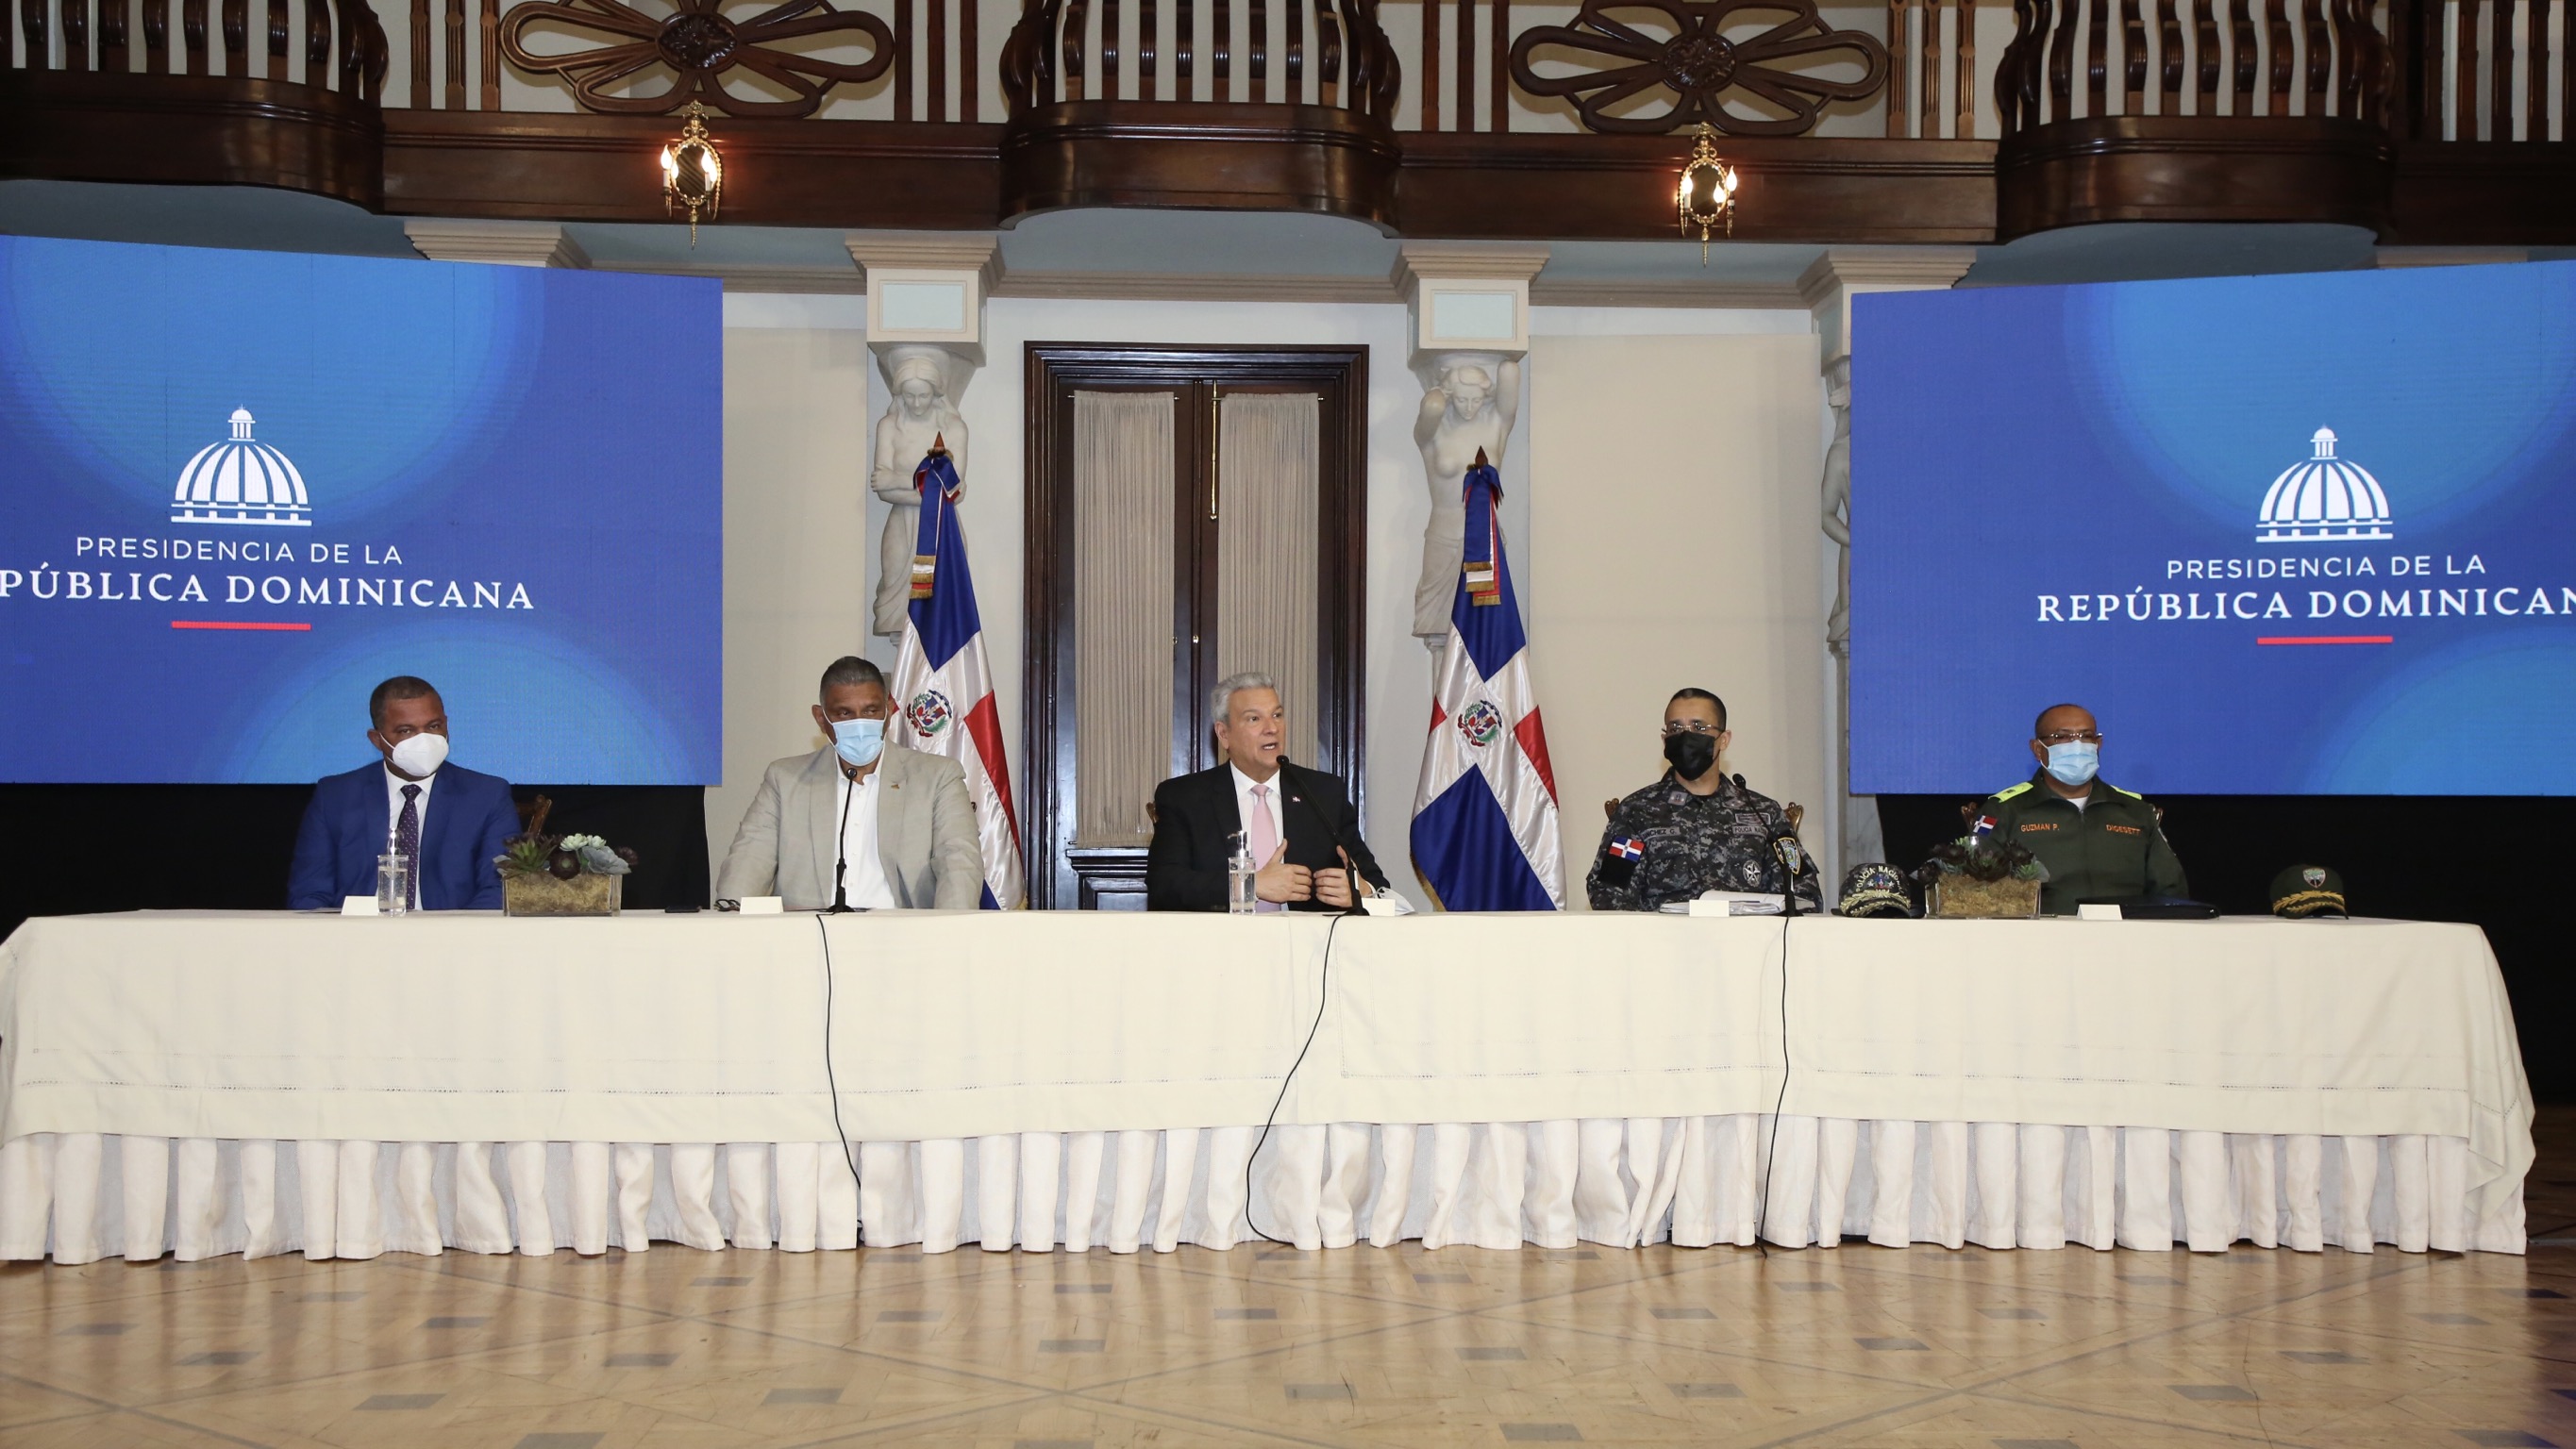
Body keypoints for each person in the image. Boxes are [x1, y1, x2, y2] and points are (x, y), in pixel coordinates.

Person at [716, 655, 983, 910]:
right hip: (809, 933)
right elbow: (749, 859)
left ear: (889, 711)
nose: (859, 723)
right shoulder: (784, 780)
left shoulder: (938, 777)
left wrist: (948, 934)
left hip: (902, 933)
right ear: (821, 719)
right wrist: (731, 918)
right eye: (844, 713)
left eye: (871, 711)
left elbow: (958, 863)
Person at [1146, 672, 1388, 912]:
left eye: (1277, 715)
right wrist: (1249, 885)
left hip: (1306, 937)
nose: (1272, 728)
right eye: (1254, 719)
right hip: (1221, 936)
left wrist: (1360, 892)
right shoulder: (1184, 798)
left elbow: (1376, 884)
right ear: (1224, 734)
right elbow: (1164, 886)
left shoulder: (1323, 793)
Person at [288, 675, 519, 910]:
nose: (424, 740)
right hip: (356, 930)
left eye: (433, 726)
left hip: (449, 930)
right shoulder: (335, 796)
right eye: (406, 730)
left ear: (446, 724)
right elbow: (309, 892)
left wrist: (449, 932)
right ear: (377, 739)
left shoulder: (486, 795)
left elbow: (499, 888)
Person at [1587, 688, 1822, 911]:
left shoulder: (1763, 813)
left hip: (1747, 937)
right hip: (1663, 937)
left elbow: (1803, 892)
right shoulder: (1637, 812)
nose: (1685, 735)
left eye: (1698, 727)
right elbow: (1610, 892)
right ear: (1665, 739)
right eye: (1675, 728)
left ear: (1724, 739)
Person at [1978, 702, 2187, 915]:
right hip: (2041, 931)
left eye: (2086, 736)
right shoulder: (2005, 810)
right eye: (2062, 737)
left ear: (2098, 744)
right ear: (2038, 749)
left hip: (2128, 931)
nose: (2077, 745)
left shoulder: (2134, 810)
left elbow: (2170, 889)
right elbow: (1977, 887)